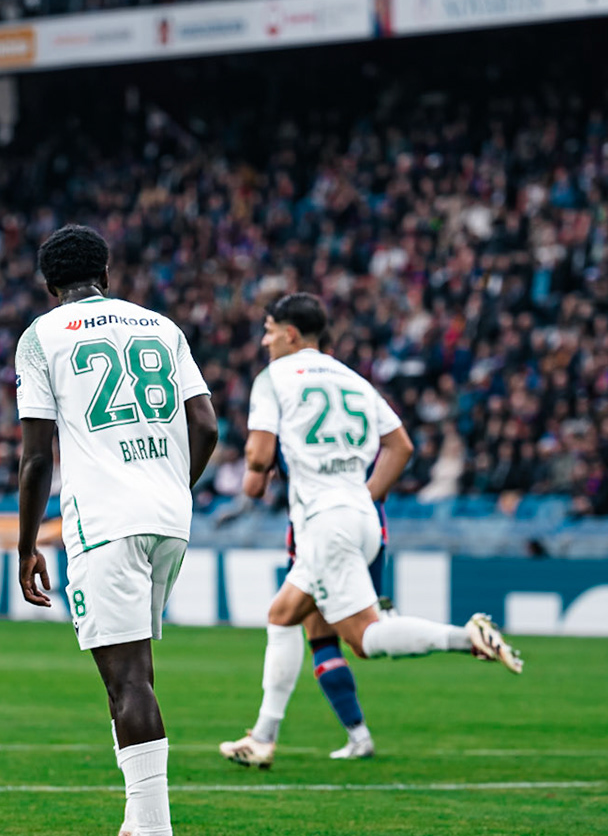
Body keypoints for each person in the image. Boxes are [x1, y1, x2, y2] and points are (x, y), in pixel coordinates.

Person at [217, 294, 519, 771]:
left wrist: (266, 461)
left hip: (325, 519)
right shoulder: (353, 379)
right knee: (284, 614)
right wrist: (365, 495)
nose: (265, 340)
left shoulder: (273, 378)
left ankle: (466, 636)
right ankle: (264, 737)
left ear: (292, 335)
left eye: (270, 330)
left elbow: (255, 459)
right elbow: (400, 447)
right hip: (361, 514)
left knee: (364, 638)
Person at [15, 225, 219, 836]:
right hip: (168, 517)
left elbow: (35, 454)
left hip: (104, 522)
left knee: (125, 681)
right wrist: (171, 489)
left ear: (49, 284)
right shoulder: (161, 326)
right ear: (107, 268)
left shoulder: (42, 336)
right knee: (138, 673)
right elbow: (209, 425)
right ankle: (137, 827)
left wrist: (26, 545)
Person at [219, 487, 387, 768]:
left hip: (323, 531)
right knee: (321, 634)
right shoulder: (362, 448)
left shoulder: (306, 451)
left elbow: (255, 478)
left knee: (305, 626)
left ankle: (463, 638)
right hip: (364, 525)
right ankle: (357, 736)